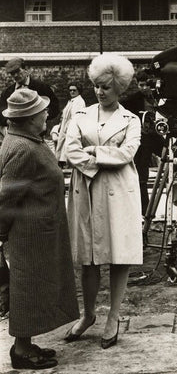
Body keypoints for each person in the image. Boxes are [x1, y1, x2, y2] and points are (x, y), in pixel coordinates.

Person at [64, 53, 142, 348]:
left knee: (119, 254)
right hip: (87, 188)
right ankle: (88, 315)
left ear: (118, 88)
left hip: (119, 191)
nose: (99, 91)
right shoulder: (80, 115)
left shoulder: (130, 120)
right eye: (96, 86)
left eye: (106, 87)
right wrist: (99, 158)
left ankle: (114, 315)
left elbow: (127, 154)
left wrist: (93, 152)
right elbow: (70, 150)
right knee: (89, 256)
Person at [0, 88, 78, 369]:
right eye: (42, 111)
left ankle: (25, 343)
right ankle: (20, 351)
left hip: (39, 230)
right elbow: (6, 196)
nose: (47, 113)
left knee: (34, 288)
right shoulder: (22, 149)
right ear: (29, 118)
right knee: (27, 289)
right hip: (29, 234)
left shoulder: (29, 140)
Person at [121, 70, 164, 216]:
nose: (144, 88)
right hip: (143, 139)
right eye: (141, 85)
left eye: (146, 85)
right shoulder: (133, 100)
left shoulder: (159, 95)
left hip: (158, 136)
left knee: (175, 159)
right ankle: (144, 212)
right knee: (141, 176)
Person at [0, 57, 60, 129]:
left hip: (37, 132)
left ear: (26, 70)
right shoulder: (7, 92)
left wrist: (40, 118)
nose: (15, 75)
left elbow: (55, 107)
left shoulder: (41, 87)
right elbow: (2, 112)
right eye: (12, 73)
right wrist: (11, 121)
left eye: (18, 71)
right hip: (16, 131)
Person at [55, 82, 86, 166]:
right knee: (61, 143)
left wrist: (68, 127)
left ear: (79, 91)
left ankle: (66, 162)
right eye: (70, 90)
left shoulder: (79, 102)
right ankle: (60, 161)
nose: (72, 92)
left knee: (68, 144)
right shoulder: (71, 101)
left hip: (71, 126)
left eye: (74, 90)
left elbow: (75, 116)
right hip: (64, 125)